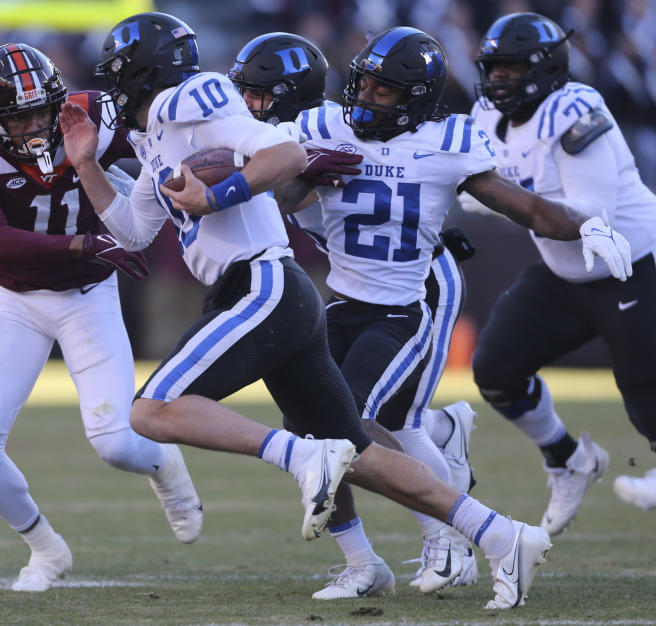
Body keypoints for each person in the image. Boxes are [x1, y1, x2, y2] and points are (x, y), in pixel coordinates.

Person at [60, 12, 598, 609]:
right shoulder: (156, 133)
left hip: (263, 283)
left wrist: (217, 193)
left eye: (115, 72)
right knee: (361, 452)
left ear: (140, 72)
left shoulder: (192, 93)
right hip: (281, 292)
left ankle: (303, 455)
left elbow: (282, 152)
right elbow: (134, 231)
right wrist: (85, 164)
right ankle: (501, 537)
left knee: (152, 410)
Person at [0, 43, 204, 593]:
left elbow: (172, 143)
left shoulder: (93, 112)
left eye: (40, 111)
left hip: (88, 296)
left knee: (116, 443)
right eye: (19, 116)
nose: (33, 125)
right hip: (15, 299)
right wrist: (86, 243)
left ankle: (166, 467)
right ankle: (45, 550)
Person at [230, 31, 481, 598]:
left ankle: (452, 539)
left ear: (294, 96)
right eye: (245, 94)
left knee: (381, 423)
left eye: (262, 96)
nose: (250, 106)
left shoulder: (333, 127)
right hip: (352, 287)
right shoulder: (305, 134)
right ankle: (442, 442)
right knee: (321, 423)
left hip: (417, 282)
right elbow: (280, 196)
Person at [469, 13, 656, 523]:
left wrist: (502, 201)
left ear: (546, 68)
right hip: (563, 274)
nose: (497, 79)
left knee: (646, 391)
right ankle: (568, 459)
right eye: (493, 68)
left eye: (509, 68)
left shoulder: (576, 109)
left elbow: (592, 214)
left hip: (631, 262)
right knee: (495, 370)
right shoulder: (486, 113)